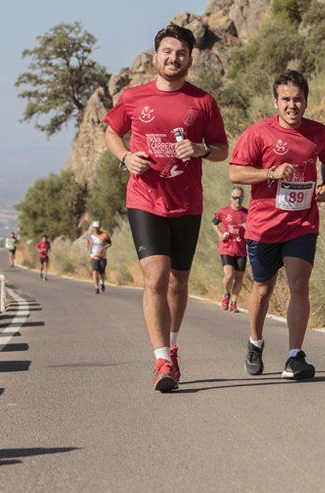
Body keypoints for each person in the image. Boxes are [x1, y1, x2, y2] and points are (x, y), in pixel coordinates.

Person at [103, 24, 228, 393]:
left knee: (179, 280)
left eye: (182, 53)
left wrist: (201, 149)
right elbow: (111, 131)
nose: (174, 58)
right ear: (155, 56)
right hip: (144, 199)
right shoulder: (133, 97)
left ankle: (172, 347)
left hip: (187, 203)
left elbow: (222, 149)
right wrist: (125, 156)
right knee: (155, 276)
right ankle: (161, 360)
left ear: (191, 58)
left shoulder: (202, 102)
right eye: (167, 51)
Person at [229, 70, 325, 380]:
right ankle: (255, 342)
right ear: (276, 101)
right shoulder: (258, 133)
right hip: (264, 226)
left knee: (299, 284)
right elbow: (236, 173)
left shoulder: (318, 133)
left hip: (302, 223)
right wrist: (269, 174)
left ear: (306, 101)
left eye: (298, 99)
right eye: (286, 100)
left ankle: (294, 356)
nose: (293, 106)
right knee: (263, 289)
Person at [211, 186, 248, 313]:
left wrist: (248, 227)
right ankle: (226, 294)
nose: (238, 200)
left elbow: (254, 229)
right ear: (231, 197)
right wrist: (220, 234)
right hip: (227, 247)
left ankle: (233, 303)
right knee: (229, 275)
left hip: (241, 250)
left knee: (239, 278)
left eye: (240, 198)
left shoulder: (247, 213)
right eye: (235, 197)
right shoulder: (223, 211)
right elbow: (214, 222)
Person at [86, 221, 112, 294]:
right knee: (94, 271)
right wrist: (87, 248)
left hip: (102, 256)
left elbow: (109, 244)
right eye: (94, 228)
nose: (96, 229)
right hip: (93, 257)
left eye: (97, 228)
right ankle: (96, 288)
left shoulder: (104, 235)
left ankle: (102, 283)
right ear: (93, 228)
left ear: (99, 227)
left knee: (102, 272)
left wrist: (103, 248)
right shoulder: (90, 236)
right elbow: (87, 243)